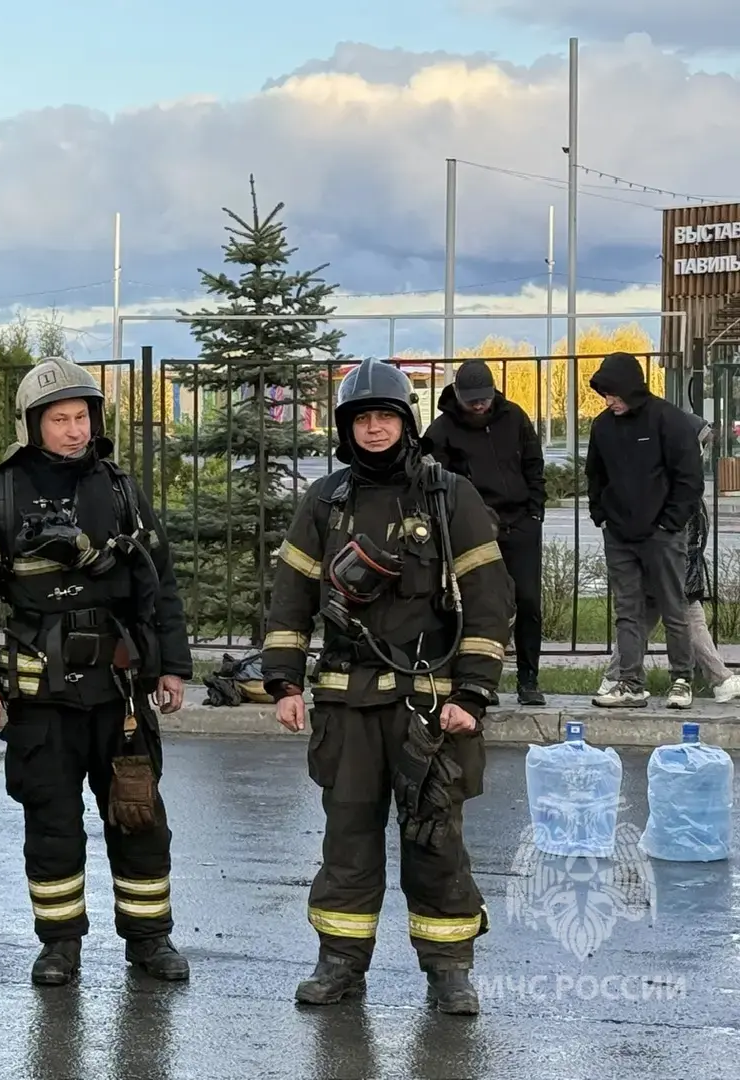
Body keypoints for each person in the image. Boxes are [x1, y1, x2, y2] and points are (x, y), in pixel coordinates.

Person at [261, 357, 512, 1017]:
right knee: (347, 840)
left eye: (386, 417)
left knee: (435, 840)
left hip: (429, 707)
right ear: (346, 428)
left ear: (406, 422)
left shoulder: (449, 497)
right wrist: (284, 681)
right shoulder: (326, 501)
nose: (374, 428)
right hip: (347, 705)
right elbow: (290, 597)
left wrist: (473, 695)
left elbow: (489, 601)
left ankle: (449, 971)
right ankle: (340, 964)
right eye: (362, 419)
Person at [0, 358, 193, 987]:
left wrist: (172, 667)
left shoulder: (120, 490)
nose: (73, 430)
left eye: (81, 417)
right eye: (59, 419)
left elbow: (161, 582)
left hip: (120, 692)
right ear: (33, 424)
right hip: (43, 698)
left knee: (138, 818)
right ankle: (59, 947)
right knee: (51, 825)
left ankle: (150, 941)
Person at [421, 359, 547, 705]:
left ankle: (528, 679)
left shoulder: (514, 416)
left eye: (485, 398)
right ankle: (475, 682)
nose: (479, 405)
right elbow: (434, 484)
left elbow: (534, 462)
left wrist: (535, 511)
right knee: (477, 605)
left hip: (521, 523)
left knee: (528, 601)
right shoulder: (442, 431)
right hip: (474, 530)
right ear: (458, 395)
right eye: (472, 400)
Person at [585, 351, 706, 709]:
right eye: (604, 394)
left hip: (662, 534)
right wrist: (601, 515)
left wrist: (670, 523)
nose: (609, 400)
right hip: (619, 535)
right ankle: (630, 683)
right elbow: (595, 475)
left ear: (631, 388)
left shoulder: (667, 420)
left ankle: (681, 679)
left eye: (614, 393)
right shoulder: (602, 426)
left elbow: (689, 478)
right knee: (627, 611)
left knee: (673, 607)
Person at [598, 416, 740, 703]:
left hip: (671, 567)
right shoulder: (672, 478)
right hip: (671, 568)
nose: (703, 451)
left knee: (642, 622)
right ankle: (721, 680)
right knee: (688, 620)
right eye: (701, 443)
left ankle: (613, 678)